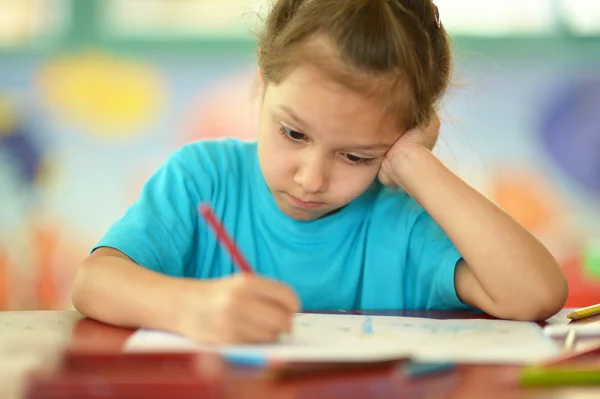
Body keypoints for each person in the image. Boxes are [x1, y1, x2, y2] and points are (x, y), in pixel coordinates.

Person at [71, 0, 568, 344]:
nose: (311, 179)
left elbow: (536, 294)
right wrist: (186, 307)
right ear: (264, 79)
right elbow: (93, 282)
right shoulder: (202, 180)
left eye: (357, 156)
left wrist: (415, 163)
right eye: (293, 134)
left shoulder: (403, 222)